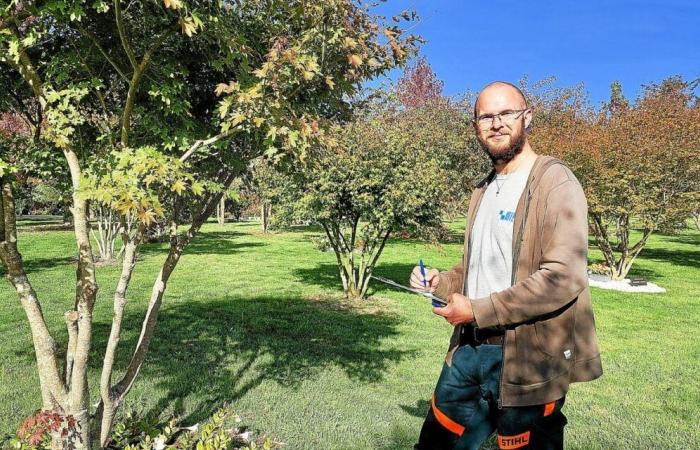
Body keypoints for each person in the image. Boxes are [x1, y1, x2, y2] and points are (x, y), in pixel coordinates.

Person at [409, 81, 602, 450]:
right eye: (486, 116)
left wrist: (479, 309)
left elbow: (563, 276)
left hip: (528, 360)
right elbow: (473, 266)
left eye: (506, 113)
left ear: (526, 117)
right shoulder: (483, 190)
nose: (496, 123)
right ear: (476, 126)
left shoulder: (554, 181)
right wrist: (440, 281)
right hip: (469, 350)